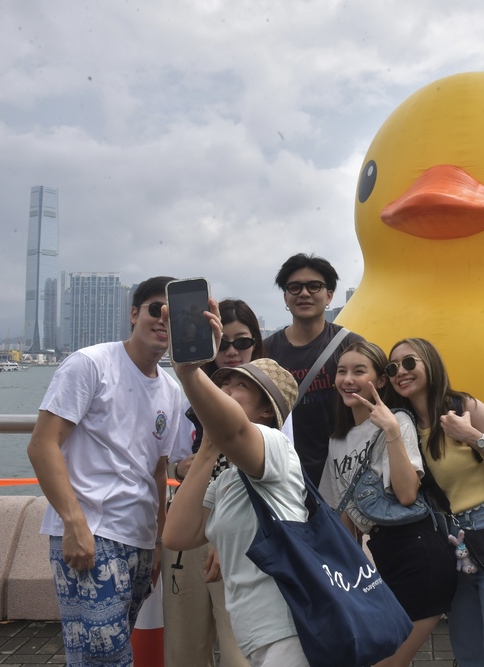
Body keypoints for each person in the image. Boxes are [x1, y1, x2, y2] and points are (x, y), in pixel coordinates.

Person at [27, 276, 183, 666]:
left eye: (174, 315)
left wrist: (160, 541)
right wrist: (74, 523)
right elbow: (42, 444)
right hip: (93, 533)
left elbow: (158, 469)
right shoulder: (91, 364)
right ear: (133, 314)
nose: (163, 319)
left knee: (102, 653)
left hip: (140, 540)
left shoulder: (172, 390)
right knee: (106, 657)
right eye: (154, 309)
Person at [163, 301, 310, 666]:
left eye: (239, 384)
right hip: (258, 634)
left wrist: (187, 373)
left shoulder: (274, 447)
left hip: (286, 631)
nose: (226, 384)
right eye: (223, 380)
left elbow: (236, 429)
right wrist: (210, 450)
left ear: (266, 411)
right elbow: (177, 535)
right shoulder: (227, 473)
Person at [384, 337, 484, 667]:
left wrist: (473, 436)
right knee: (468, 653)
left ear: (430, 364)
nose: (401, 372)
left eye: (410, 362)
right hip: (454, 546)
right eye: (393, 367)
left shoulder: (463, 407)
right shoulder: (402, 426)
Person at [319, 341, 457, 667]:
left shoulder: (399, 422)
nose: (348, 380)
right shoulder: (337, 439)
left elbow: (407, 493)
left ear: (380, 381)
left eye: (358, 371)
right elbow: (341, 516)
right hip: (382, 558)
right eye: (342, 371)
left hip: (420, 555)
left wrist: (393, 431)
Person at [163, 299, 264, 667]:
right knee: (183, 645)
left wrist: (227, 534)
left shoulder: (272, 401)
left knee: (241, 648)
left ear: (257, 343)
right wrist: (184, 466)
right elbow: (174, 463)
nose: (233, 351)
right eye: (224, 343)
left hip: (244, 535)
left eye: (243, 342)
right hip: (190, 525)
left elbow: (280, 472)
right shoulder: (187, 394)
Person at [264, 253, 363, 483]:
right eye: (295, 287)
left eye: (314, 286)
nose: (305, 293)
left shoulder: (352, 345)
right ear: (286, 297)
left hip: (344, 472)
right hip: (285, 475)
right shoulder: (266, 352)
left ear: (329, 295)